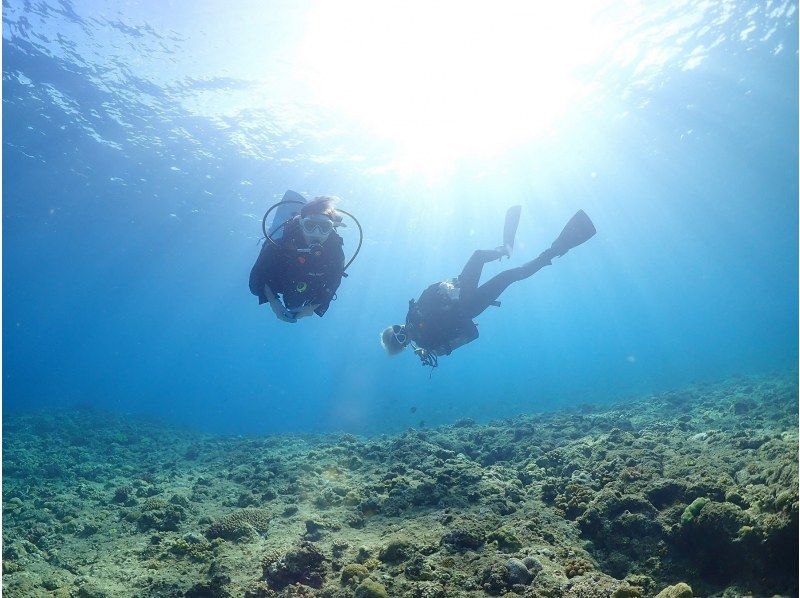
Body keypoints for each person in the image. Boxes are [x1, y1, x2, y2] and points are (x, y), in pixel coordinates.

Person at [381, 208, 596, 366]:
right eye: (400, 339)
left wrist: (446, 286)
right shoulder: (428, 343)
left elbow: (430, 291)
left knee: (478, 255)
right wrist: (438, 348)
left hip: (459, 289)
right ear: (403, 345)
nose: (402, 332)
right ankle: (555, 250)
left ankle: (506, 249)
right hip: (468, 307)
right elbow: (469, 335)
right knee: (510, 275)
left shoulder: (413, 312)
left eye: (397, 330)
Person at [250, 196, 345, 323]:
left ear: (331, 228)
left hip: (305, 284)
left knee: (294, 302)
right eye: (310, 225)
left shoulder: (335, 251)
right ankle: (292, 215)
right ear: (301, 224)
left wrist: (311, 308)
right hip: (281, 279)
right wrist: (274, 303)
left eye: (324, 227)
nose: (316, 233)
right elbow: (259, 276)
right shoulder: (281, 244)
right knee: (256, 289)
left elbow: (333, 282)